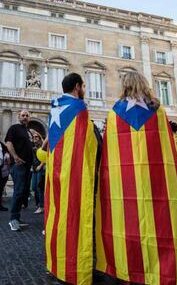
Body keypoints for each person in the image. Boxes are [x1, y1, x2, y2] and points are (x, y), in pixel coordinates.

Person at [96, 72, 177, 284]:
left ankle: (130, 267)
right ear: (145, 85)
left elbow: (110, 153)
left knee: (129, 225)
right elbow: (167, 150)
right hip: (157, 181)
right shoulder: (158, 111)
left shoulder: (114, 114)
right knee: (161, 223)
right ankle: (164, 269)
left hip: (126, 184)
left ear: (124, 86)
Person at [44, 73, 99, 284]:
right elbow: (88, 144)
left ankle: (56, 263)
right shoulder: (80, 108)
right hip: (75, 171)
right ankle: (75, 268)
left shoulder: (54, 108)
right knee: (76, 215)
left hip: (55, 171)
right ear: (77, 87)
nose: (83, 90)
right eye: (83, 86)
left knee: (56, 214)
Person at [6, 110, 33, 231]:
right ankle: (13, 219)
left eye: (27, 116)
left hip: (27, 166)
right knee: (18, 191)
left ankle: (17, 217)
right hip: (18, 165)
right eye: (23, 115)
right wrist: (15, 157)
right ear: (19, 117)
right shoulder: (14, 128)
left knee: (23, 192)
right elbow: (8, 143)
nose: (25, 117)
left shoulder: (27, 131)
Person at [31, 132, 44, 214]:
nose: (35, 138)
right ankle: (38, 204)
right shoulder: (33, 148)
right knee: (34, 187)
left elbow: (45, 156)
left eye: (37, 137)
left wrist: (41, 165)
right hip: (34, 169)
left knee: (39, 188)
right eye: (34, 137)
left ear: (39, 138)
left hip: (41, 169)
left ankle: (41, 206)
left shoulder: (43, 146)